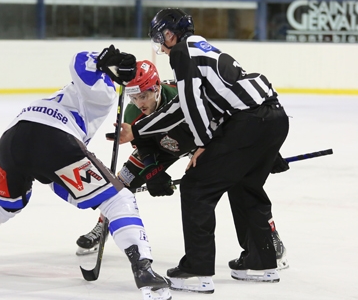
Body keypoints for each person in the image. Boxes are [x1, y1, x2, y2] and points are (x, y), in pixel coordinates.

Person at [0, 46, 172, 300]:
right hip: (55, 143)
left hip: (12, 140)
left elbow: (57, 166)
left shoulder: (68, 92)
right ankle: (144, 271)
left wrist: (108, 62)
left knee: (3, 205)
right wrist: (109, 60)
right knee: (118, 199)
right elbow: (79, 60)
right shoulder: (104, 90)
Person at [118, 8, 290, 292]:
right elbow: (186, 105)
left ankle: (197, 270)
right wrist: (137, 130)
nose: (160, 44)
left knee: (196, 187)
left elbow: (191, 107)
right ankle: (261, 262)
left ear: (169, 34)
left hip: (249, 123)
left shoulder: (182, 52)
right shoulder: (199, 47)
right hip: (273, 118)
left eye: (160, 37)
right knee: (245, 184)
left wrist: (203, 144)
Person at [75, 60, 289, 279]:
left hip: (199, 142)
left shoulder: (182, 93)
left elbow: (225, 119)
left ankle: (268, 237)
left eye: (144, 95)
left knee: (241, 180)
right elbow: (144, 146)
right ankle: (103, 225)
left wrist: (263, 150)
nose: (139, 103)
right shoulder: (132, 113)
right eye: (134, 97)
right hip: (161, 147)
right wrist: (154, 173)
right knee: (121, 183)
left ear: (156, 87)